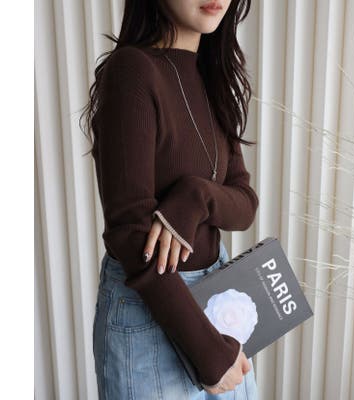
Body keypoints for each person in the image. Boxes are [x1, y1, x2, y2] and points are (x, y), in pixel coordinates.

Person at [79, 0, 259, 398]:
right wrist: (209, 354)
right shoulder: (132, 71)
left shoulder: (213, 77)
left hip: (215, 309)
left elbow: (245, 203)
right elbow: (130, 233)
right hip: (154, 309)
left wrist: (197, 196)